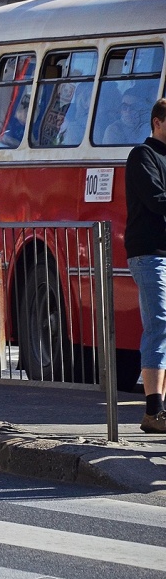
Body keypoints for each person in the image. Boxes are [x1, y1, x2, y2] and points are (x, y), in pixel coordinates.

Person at [124, 97, 166, 434]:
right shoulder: (143, 155)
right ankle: (153, 411)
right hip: (151, 253)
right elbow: (155, 200)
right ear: (158, 122)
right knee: (159, 325)